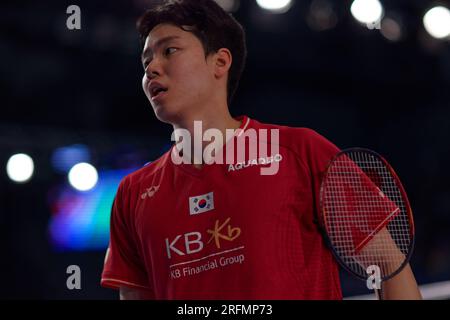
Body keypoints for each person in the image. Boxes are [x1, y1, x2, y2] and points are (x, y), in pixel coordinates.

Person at [101, 0, 421, 300]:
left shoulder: (300, 152)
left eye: (169, 50)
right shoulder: (133, 194)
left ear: (220, 61)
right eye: (146, 62)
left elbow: (388, 265)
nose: (152, 68)